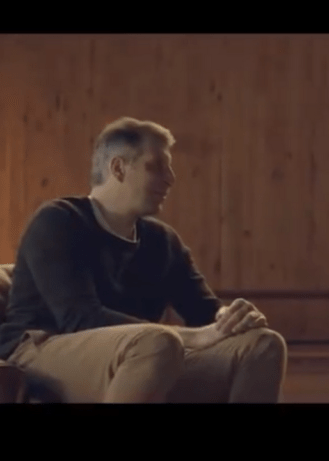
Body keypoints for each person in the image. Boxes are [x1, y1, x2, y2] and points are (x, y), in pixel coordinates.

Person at [0, 117, 287, 403]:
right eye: (157, 166)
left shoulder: (163, 241)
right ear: (118, 168)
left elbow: (204, 312)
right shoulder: (58, 221)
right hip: (39, 347)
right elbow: (80, 318)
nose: (170, 178)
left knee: (263, 344)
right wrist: (194, 338)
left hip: (142, 356)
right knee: (158, 342)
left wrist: (232, 318)